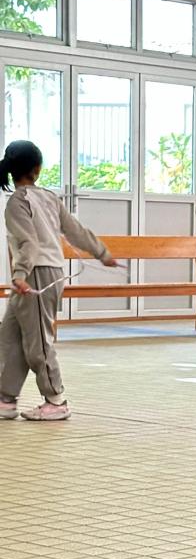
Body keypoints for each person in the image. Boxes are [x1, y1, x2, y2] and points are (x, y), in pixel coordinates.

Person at [1, 140, 119, 421]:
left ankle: (56, 400)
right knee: (10, 336)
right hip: (39, 273)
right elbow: (76, 231)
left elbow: (28, 243)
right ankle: (6, 399)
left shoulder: (18, 202)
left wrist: (19, 275)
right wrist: (102, 253)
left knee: (38, 341)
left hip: (36, 274)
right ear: (37, 169)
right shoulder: (49, 198)